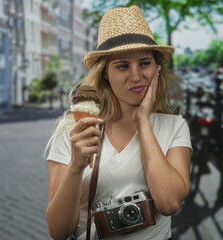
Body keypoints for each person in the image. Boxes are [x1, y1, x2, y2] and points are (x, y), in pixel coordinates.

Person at [45, 6, 192, 240]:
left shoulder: (174, 127)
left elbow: (169, 203)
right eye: (123, 66)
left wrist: (143, 122)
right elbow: (58, 231)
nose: (136, 76)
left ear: (157, 69)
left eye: (144, 63)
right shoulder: (75, 131)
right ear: (105, 73)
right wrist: (75, 166)